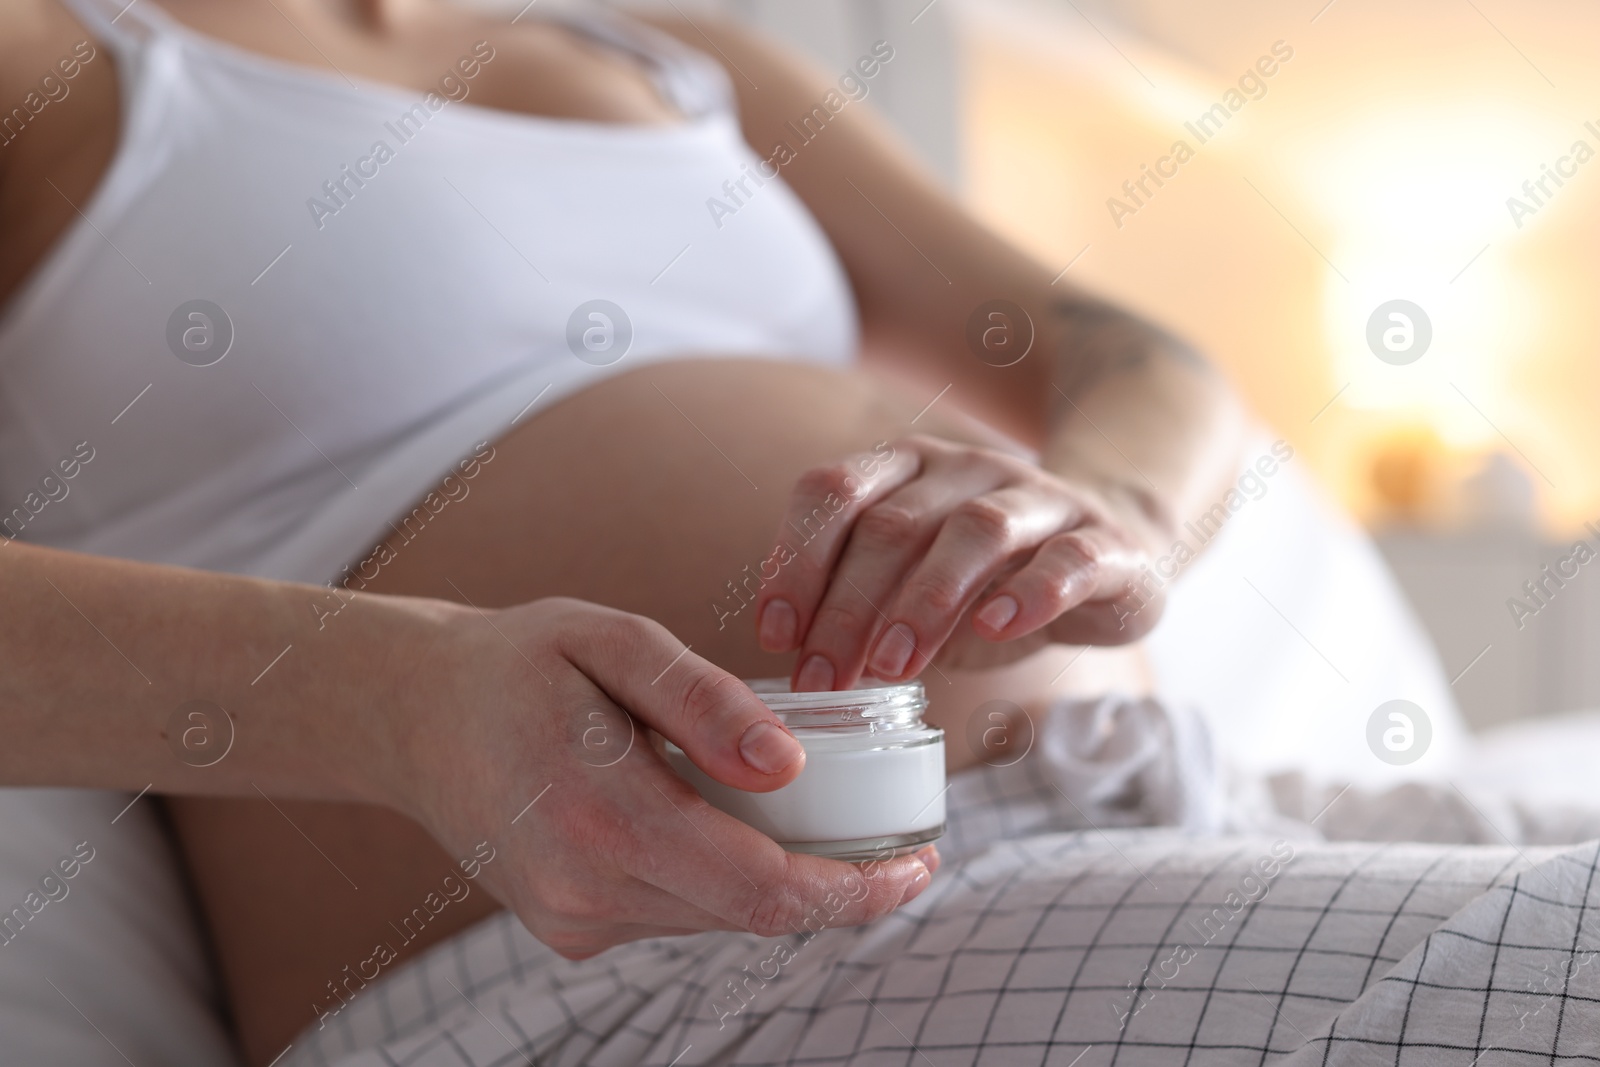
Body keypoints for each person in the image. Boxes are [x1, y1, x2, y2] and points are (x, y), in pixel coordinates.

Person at [0, 0, 1246, 1061]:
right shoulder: (51, 64)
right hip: (613, 988)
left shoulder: (665, 55)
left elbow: (1123, 351)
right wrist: (397, 695)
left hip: (1125, 827)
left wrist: (1116, 513)